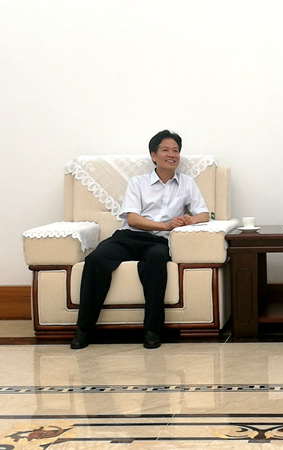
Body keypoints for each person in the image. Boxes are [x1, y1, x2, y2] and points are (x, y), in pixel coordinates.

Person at [70, 130, 210, 350]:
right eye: (165, 150)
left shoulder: (187, 183)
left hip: (158, 243)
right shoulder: (138, 183)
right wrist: (166, 225)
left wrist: (190, 220)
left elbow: (204, 214)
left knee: (156, 261)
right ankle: (84, 330)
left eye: (175, 150)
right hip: (129, 237)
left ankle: (152, 331)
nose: (171, 154)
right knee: (96, 259)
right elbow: (133, 219)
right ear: (154, 156)